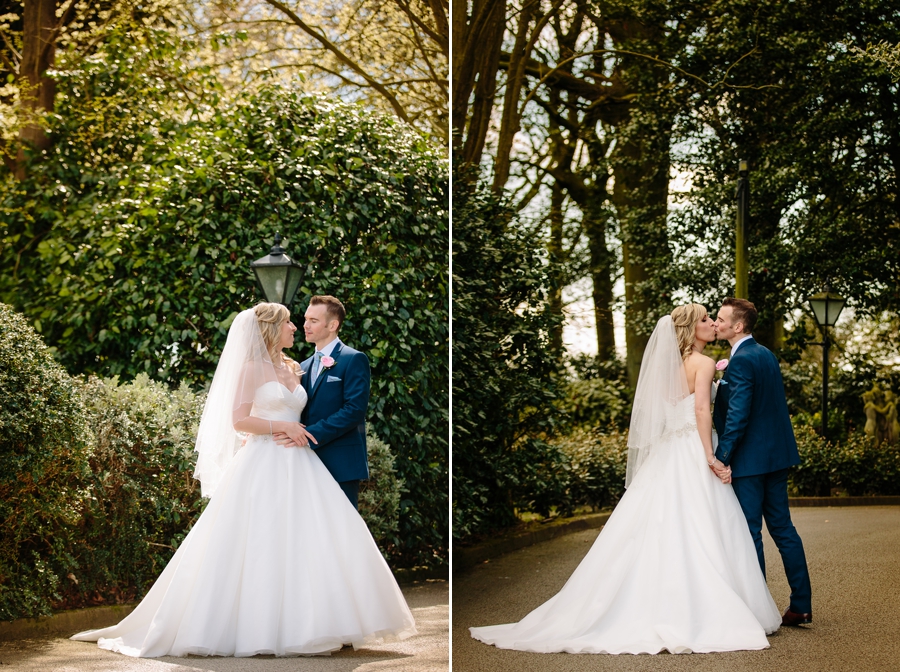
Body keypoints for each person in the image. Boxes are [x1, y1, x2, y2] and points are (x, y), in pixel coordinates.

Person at [71, 303, 416, 657]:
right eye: (288, 322)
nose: (296, 327)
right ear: (269, 329)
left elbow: (323, 410)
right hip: (265, 463)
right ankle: (256, 627)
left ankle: (315, 623)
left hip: (302, 465)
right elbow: (239, 421)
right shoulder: (251, 368)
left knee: (307, 542)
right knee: (260, 542)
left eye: (305, 321)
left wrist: (296, 429)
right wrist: (277, 426)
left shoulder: (295, 367)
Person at [469, 304, 781, 654]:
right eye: (706, 319)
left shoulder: (667, 368)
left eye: (713, 318)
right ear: (693, 329)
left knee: (653, 527)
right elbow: (700, 411)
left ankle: (643, 602)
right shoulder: (705, 364)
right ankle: (706, 610)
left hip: (666, 454)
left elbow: (665, 413)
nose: (712, 324)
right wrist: (711, 455)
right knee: (706, 525)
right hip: (692, 450)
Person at [712, 297, 813, 626]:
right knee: (783, 529)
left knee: (750, 532)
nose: (717, 323)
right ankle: (801, 604)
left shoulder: (740, 360)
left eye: (721, 319)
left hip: (751, 461)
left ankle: (758, 610)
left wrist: (720, 456)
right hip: (777, 456)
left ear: (737, 326)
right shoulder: (765, 354)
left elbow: (739, 415)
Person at [275, 295, 369, 509]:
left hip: (341, 461)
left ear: (333, 325)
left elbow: (354, 410)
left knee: (343, 530)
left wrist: (310, 435)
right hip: (304, 461)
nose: (305, 325)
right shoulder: (302, 366)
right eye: (306, 319)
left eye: (313, 321)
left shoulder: (353, 359)